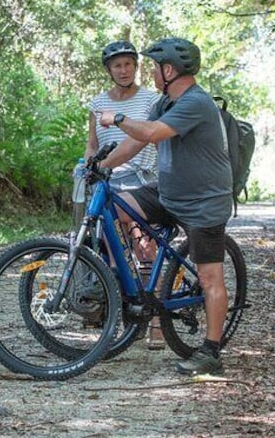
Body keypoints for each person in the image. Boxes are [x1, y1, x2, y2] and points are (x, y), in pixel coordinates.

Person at [98, 37, 232, 376]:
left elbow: (154, 133)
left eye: (156, 67)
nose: (152, 73)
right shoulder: (165, 101)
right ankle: (135, 277)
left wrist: (117, 119)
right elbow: (135, 142)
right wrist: (104, 166)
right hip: (169, 193)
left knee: (209, 277)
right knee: (117, 206)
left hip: (203, 203)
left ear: (169, 70)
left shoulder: (197, 102)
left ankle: (211, 351)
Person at [84, 40, 163, 349]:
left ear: (135, 66)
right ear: (109, 70)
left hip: (140, 179)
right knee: (112, 252)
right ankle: (120, 319)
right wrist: (87, 167)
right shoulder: (97, 103)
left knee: (144, 248)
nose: (124, 70)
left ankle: (156, 320)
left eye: (128, 64)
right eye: (117, 65)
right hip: (106, 180)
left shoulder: (150, 100)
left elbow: (150, 139)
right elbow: (92, 144)